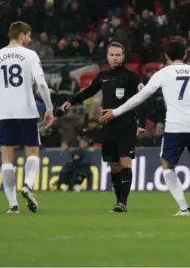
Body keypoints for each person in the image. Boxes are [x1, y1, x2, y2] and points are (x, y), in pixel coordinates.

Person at [101, 39, 190, 216]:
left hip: (175, 127)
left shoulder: (162, 74)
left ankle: (184, 208)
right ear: (185, 54)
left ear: (166, 55)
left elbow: (140, 97)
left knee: (167, 167)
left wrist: (116, 111)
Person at [61, 42, 146, 213]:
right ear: (107, 57)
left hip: (127, 125)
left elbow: (142, 98)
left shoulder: (132, 77)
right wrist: (71, 101)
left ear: (123, 57)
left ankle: (123, 202)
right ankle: (118, 200)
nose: (115, 58)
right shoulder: (103, 76)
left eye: (118, 55)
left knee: (125, 162)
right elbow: (88, 91)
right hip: (109, 126)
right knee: (114, 166)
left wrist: (140, 124)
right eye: (112, 55)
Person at [0, 21, 54, 214]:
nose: (30, 40)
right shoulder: (30, 55)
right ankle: (28, 185)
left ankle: (12, 205)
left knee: (7, 158)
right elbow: (41, 84)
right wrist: (49, 108)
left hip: (3, 114)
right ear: (22, 35)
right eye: (29, 36)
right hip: (26, 111)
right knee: (32, 153)